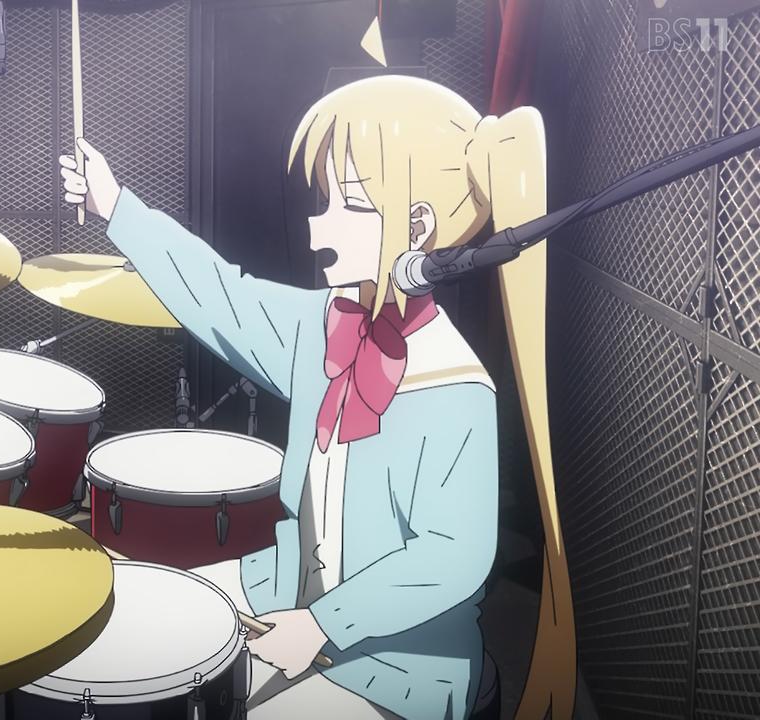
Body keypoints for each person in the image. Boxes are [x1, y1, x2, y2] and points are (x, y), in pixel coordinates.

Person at [61, 75, 576, 719]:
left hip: (402, 668)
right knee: (137, 615)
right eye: (326, 198)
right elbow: (223, 296)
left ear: (418, 225)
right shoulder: (323, 325)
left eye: (349, 204)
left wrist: (323, 625)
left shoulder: (458, 388)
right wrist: (116, 207)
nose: (317, 227)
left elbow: (454, 556)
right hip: (284, 593)